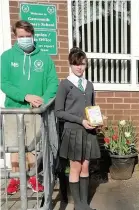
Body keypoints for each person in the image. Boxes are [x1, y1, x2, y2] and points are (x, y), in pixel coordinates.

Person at [1, 20, 58, 194]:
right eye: (21, 36)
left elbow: (53, 83)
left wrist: (43, 99)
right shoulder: (7, 57)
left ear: (33, 36)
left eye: (28, 36)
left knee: (33, 146)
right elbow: (4, 83)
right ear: (15, 36)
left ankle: (33, 177)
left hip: (35, 111)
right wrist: (24, 96)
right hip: (13, 110)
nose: (25, 39)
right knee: (15, 146)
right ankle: (16, 179)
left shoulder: (44, 58)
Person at [55, 47, 100, 210]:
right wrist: (80, 121)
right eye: (76, 64)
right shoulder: (65, 85)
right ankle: (78, 205)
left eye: (82, 64)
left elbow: (91, 107)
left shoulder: (89, 85)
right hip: (73, 131)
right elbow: (59, 112)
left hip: (88, 131)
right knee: (75, 167)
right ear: (70, 65)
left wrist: (97, 119)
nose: (79, 67)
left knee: (86, 166)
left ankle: (84, 204)